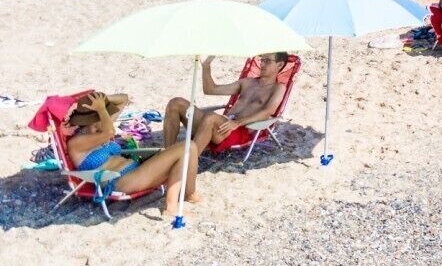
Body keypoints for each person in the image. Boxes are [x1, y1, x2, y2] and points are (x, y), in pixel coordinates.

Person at [63, 91, 206, 218]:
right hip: (121, 181)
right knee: (187, 147)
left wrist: (103, 98)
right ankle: (175, 206)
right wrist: (101, 108)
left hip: (136, 172)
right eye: (103, 114)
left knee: (188, 148)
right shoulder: (76, 143)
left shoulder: (101, 126)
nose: (106, 116)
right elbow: (109, 133)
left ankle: (187, 195)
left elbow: (124, 99)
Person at [165, 53, 298, 151]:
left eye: (267, 61)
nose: (262, 64)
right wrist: (206, 66)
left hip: (239, 130)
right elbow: (210, 90)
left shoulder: (278, 88)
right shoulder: (247, 82)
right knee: (176, 103)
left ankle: (188, 164)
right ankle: (167, 154)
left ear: (280, 65)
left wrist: (237, 123)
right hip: (221, 124)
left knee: (211, 117)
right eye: (262, 60)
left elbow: (268, 111)